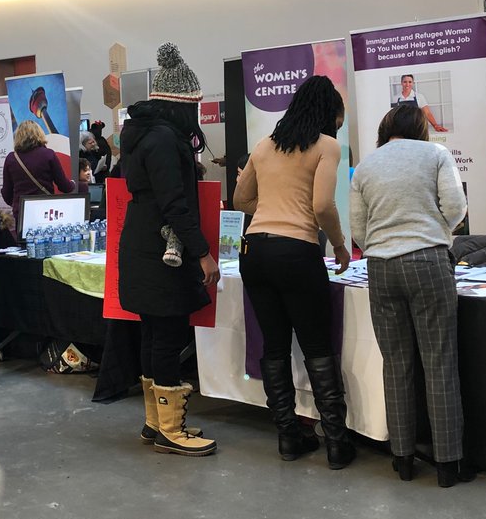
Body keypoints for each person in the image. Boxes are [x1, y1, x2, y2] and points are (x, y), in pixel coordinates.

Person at [233, 75, 356, 468]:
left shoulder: (265, 145)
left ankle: (288, 437)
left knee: (274, 346)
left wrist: (272, 208)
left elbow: (240, 199)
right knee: (317, 345)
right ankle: (336, 443)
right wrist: (339, 244)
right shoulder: (326, 146)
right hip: (297, 252)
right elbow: (322, 206)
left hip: (254, 250)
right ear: (329, 113)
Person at [350, 104, 468, 487]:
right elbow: (456, 207)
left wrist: (382, 243)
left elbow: (358, 229)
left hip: (381, 267)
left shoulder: (365, 166)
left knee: (396, 363)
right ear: (420, 128)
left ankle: (402, 458)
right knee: (439, 362)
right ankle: (448, 463)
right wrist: (437, 231)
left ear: (385, 129)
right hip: (428, 261)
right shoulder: (435, 154)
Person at [118, 42, 219, 457]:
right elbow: (175, 203)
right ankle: (171, 430)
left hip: (141, 241)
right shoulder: (163, 139)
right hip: (160, 250)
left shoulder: (142, 134)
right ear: (182, 105)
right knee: (167, 335)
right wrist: (202, 252)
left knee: (153, 332)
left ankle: (156, 421)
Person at [0, 120, 75, 229]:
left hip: (22, 211)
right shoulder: (48, 154)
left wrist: (17, 202)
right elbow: (64, 186)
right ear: (39, 134)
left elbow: (6, 193)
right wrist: (73, 184)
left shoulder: (11, 158)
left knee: (24, 239)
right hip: (45, 210)